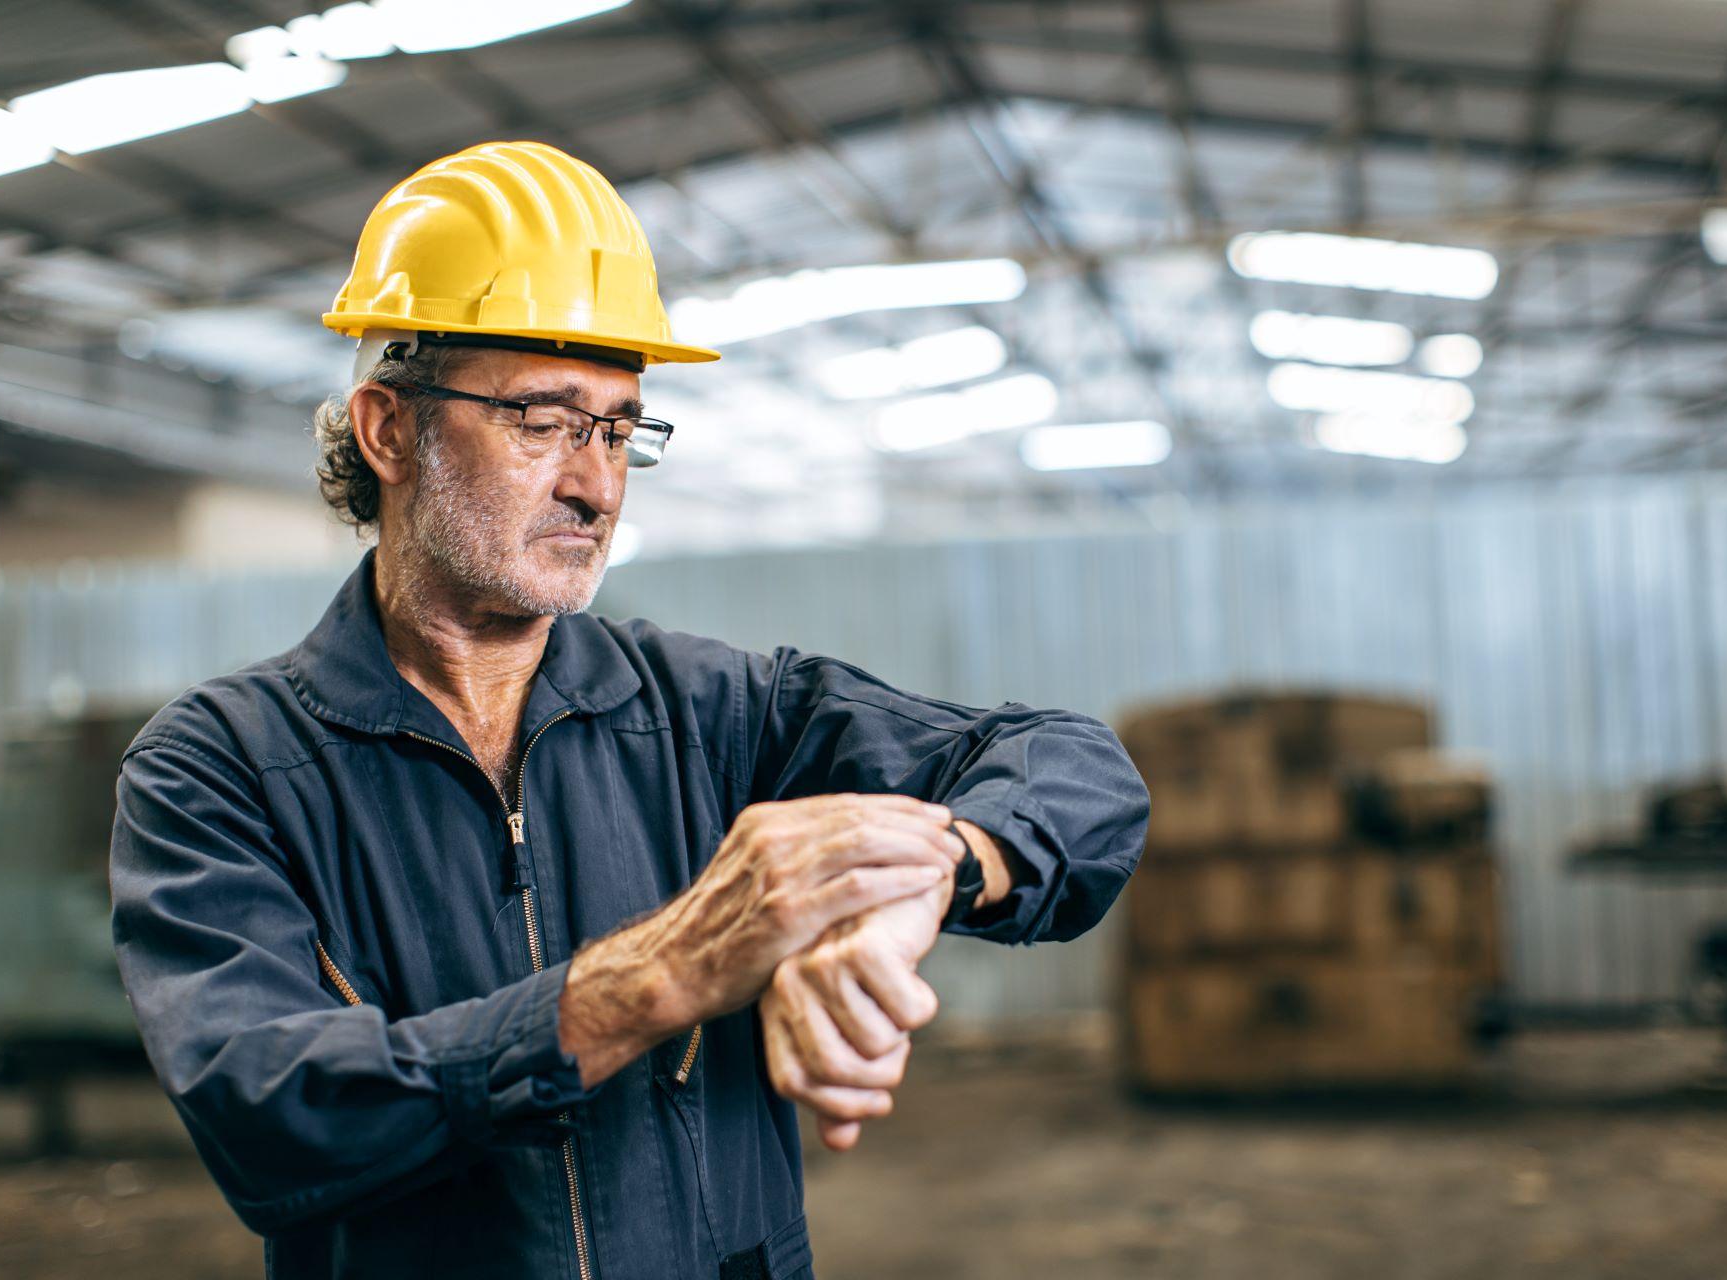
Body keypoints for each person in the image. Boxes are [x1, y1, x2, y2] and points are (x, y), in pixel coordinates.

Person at [108, 140, 1148, 1280]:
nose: (596, 483)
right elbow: (274, 1117)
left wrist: (928, 871)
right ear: (389, 430)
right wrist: (664, 971)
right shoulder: (222, 767)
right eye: (543, 419)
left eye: (618, 427)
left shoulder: (713, 710)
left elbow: (1074, 767)